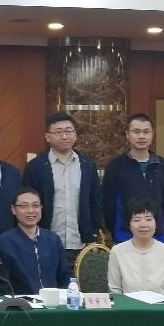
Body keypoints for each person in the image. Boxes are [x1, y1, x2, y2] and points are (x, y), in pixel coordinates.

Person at [22, 112, 103, 267]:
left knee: (77, 282)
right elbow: (27, 204)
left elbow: (95, 201)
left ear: (75, 135)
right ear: (47, 137)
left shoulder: (87, 165)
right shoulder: (36, 167)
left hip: (80, 243)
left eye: (68, 131)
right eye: (59, 132)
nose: (64, 136)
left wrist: (93, 232)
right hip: (44, 242)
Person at [103, 113, 164, 243]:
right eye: (136, 132)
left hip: (156, 235)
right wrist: (115, 229)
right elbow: (108, 203)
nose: (141, 136)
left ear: (152, 134)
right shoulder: (116, 165)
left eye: (146, 132)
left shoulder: (162, 165)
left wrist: (160, 224)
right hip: (124, 235)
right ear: (127, 134)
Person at [0, 187, 69, 295]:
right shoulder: (3, 242)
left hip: (54, 301)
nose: (30, 210)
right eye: (24, 206)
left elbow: (65, 275)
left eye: (35, 205)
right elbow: (1, 284)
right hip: (21, 302)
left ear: (41, 208)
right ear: (13, 210)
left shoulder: (53, 239)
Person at [108, 199, 164, 296]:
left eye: (148, 219)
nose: (143, 225)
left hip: (163, 305)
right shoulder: (117, 252)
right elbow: (115, 293)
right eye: (137, 220)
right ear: (129, 224)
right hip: (129, 305)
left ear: (156, 223)